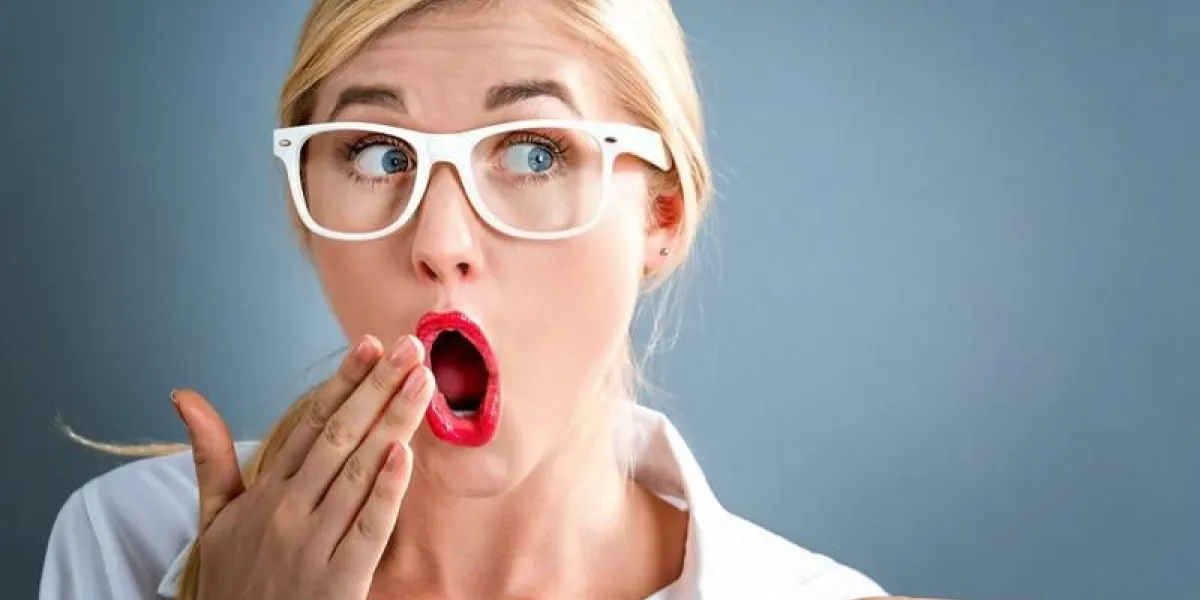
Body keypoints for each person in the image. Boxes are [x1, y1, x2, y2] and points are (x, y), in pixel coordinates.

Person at [38, 0, 899, 598]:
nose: (440, 243)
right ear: (306, 211)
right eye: (378, 154)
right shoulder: (127, 544)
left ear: (660, 216)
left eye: (531, 153)